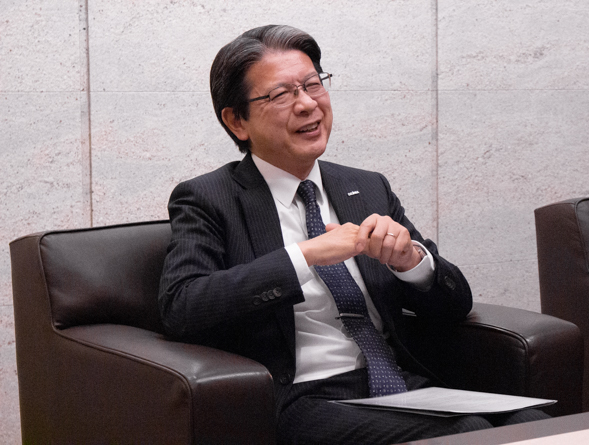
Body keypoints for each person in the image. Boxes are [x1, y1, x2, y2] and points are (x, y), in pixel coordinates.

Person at [158, 24, 548, 444]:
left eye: (313, 85)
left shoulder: (366, 187)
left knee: (536, 423)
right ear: (237, 121)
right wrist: (305, 255)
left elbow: (456, 303)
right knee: (468, 434)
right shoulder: (208, 198)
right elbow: (182, 305)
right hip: (303, 398)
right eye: (282, 94)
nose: (308, 104)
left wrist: (412, 262)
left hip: (399, 383)